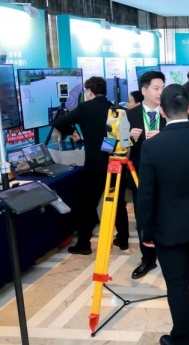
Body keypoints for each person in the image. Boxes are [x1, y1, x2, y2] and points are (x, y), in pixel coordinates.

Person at [136, 84, 189, 345]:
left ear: (162, 111)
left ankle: (182, 336)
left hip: (167, 225)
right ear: (188, 108)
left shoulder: (153, 146)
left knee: (177, 282)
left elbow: (146, 194)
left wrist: (145, 231)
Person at [53, 76, 129, 255]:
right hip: (116, 162)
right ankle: (123, 239)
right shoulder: (116, 108)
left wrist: (72, 132)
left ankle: (84, 244)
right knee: (118, 202)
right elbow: (118, 136)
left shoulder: (85, 108)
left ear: (90, 92)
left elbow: (59, 123)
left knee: (88, 205)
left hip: (94, 165)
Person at [125, 70, 166, 278]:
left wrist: (164, 137)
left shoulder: (170, 112)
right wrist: (128, 138)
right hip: (139, 176)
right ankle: (148, 259)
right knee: (143, 218)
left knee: (166, 216)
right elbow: (109, 146)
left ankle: (168, 254)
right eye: (156, 88)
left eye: (162, 88)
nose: (160, 93)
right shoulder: (129, 115)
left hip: (166, 176)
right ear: (144, 90)